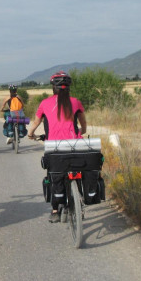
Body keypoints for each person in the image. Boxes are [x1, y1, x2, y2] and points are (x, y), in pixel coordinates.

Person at [27, 71, 87, 222]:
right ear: (68, 88)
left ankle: (55, 210)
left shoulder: (45, 103)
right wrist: (82, 131)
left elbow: (36, 123)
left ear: (53, 87)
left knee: (53, 175)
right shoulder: (76, 102)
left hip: (54, 147)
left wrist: (30, 134)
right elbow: (83, 124)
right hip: (75, 145)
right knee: (77, 168)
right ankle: (79, 198)